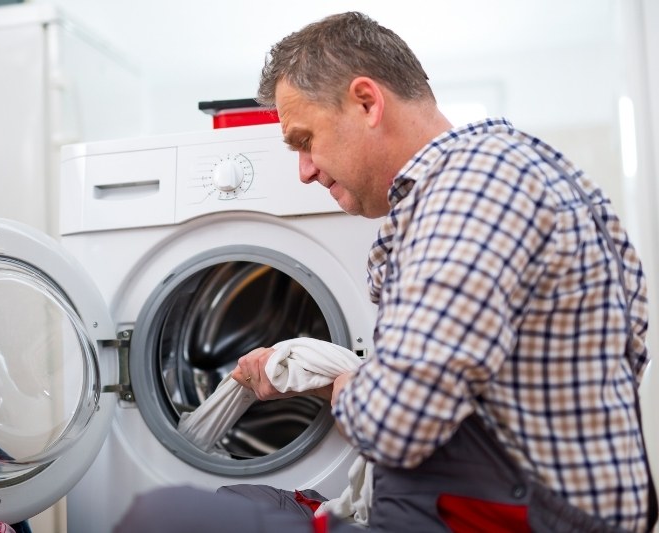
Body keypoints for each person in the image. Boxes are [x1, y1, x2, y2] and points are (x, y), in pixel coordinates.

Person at [117, 11, 657, 532]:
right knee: (246, 498)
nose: (303, 170)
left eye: (305, 140)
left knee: (162, 519)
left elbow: (397, 426)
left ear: (366, 102)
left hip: (505, 519)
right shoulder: (509, 171)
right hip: (488, 500)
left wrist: (340, 379)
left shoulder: (472, 189)